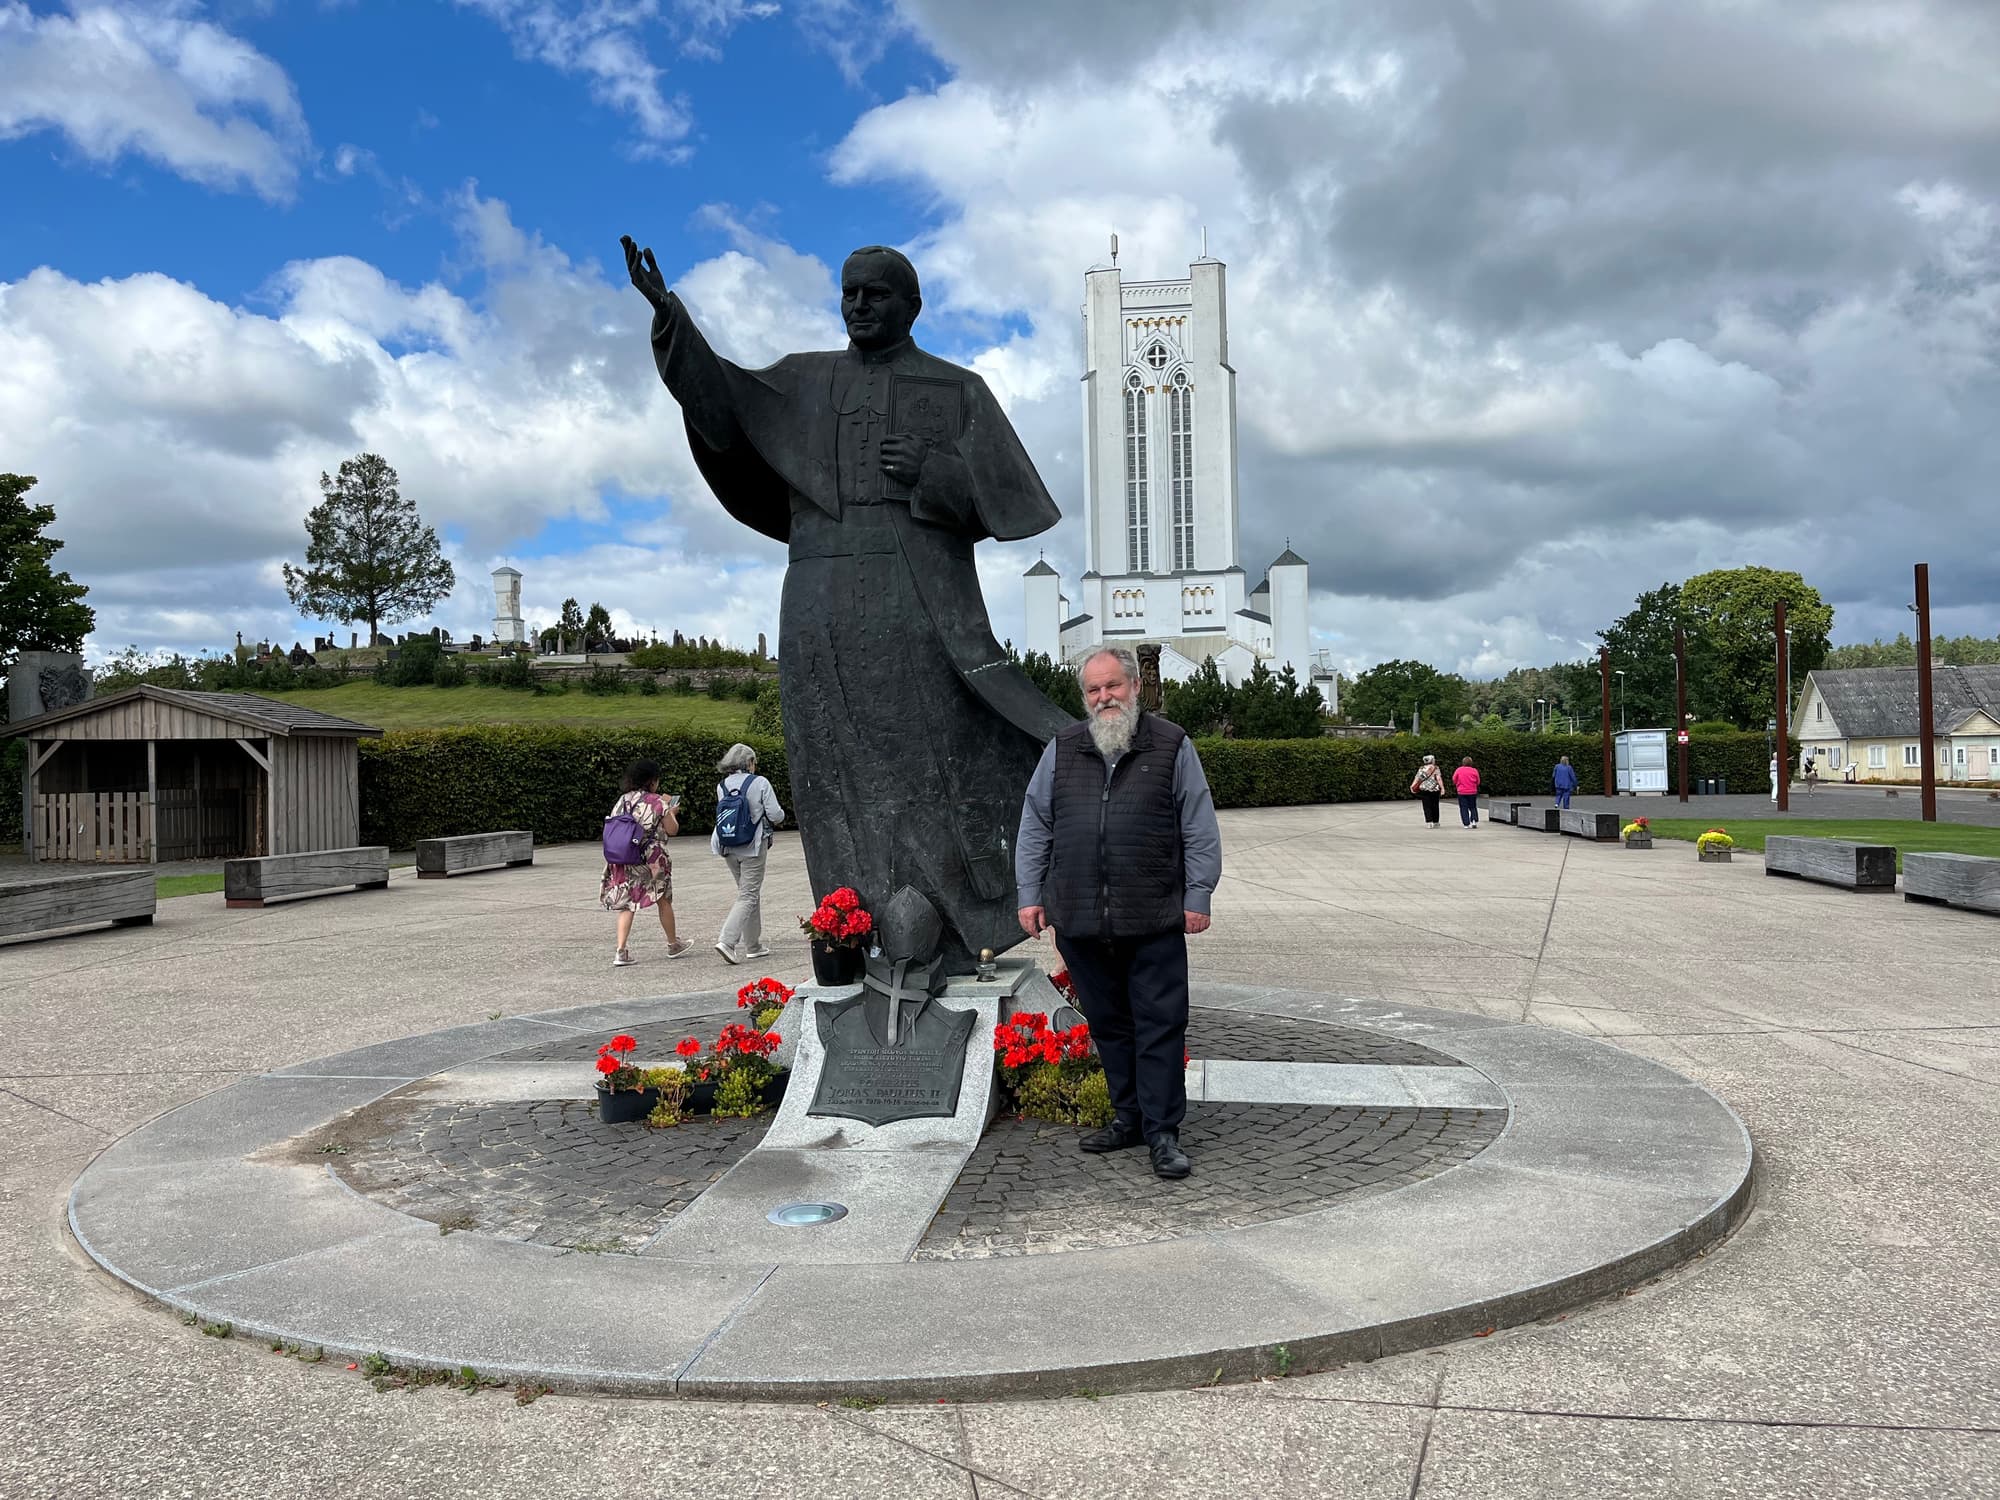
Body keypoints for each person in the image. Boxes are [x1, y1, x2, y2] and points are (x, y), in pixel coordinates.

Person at [624, 235, 1070, 975]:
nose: (859, 305)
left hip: (918, 594)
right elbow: (723, 407)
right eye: (849, 293)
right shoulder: (805, 381)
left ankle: (964, 916)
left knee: (942, 749)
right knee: (830, 763)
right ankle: (850, 929)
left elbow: (1011, 503)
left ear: (912, 306)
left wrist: (937, 474)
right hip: (820, 595)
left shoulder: (957, 389)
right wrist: (671, 318)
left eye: (877, 294)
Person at [1015, 646, 1222, 1181]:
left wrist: (1198, 894)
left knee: (1159, 1025)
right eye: (1093, 690)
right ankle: (1127, 1116)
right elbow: (1036, 824)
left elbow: (1198, 824)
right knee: (1109, 1024)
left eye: (1114, 686)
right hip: (1082, 920)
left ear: (1134, 688)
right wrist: (1029, 894)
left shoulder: (1172, 745)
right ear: (1085, 698)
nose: (1105, 697)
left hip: (1151, 916)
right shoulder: (1062, 749)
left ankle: (1162, 1132)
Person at [601, 758, 689, 967]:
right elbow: (672, 830)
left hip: (624, 856)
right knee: (662, 898)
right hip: (652, 857)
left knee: (627, 903)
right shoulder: (658, 801)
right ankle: (672, 944)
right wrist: (670, 811)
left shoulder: (623, 800)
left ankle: (621, 951)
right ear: (651, 781)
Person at [711, 741, 787, 965]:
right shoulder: (760, 782)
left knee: (747, 893)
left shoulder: (722, 786)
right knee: (748, 895)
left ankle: (753, 945)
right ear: (749, 762)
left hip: (727, 845)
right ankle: (727, 941)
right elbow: (776, 814)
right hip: (752, 846)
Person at [1409, 754, 1446, 829]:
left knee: (1426, 806)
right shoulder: (1436, 768)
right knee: (1435, 805)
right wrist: (1442, 788)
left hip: (1424, 789)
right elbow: (1438, 778)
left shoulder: (1421, 768)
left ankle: (1429, 822)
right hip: (1435, 789)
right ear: (1432, 760)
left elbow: (1417, 778)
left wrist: (1412, 786)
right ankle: (1436, 822)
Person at [1453, 757, 1482, 827]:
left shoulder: (1459, 770)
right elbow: (1478, 781)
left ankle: (1466, 823)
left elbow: (1454, 779)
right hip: (1472, 791)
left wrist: (1458, 784)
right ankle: (1474, 820)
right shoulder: (1474, 770)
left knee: (1463, 807)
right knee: (1473, 806)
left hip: (1462, 791)